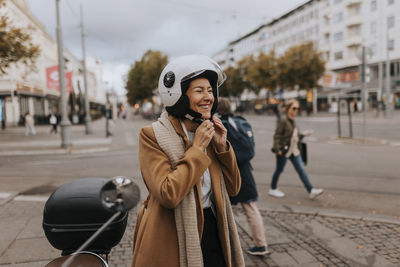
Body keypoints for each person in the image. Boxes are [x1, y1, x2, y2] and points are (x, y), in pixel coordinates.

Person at [131, 55, 244, 267]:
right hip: (172, 233)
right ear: (178, 95)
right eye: (199, 90)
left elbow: (234, 188)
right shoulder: (152, 135)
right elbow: (168, 194)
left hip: (214, 228)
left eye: (210, 90)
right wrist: (198, 149)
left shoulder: (208, 131)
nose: (208, 97)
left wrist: (222, 148)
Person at [217, 97, 270, 256]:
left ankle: (226, 247)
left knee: (223, 211)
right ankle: (261, 244)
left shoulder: (219, 125)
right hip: (245, 172)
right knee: (251, 208)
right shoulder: (239, 121)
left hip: (227, 172)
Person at [269, 99, 324, 199]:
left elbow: (294, 135)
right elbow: (277, 135)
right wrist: (277, 149)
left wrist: (303, 134)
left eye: (297, 108)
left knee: (301, 169)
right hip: (284, 150)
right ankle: (273, 189)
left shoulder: (293, 120)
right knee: (279, 170)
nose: (296, 110)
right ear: (288, 108)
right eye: (294, 108)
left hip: (294, 150)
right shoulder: (283, 120)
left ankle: (311, 190)